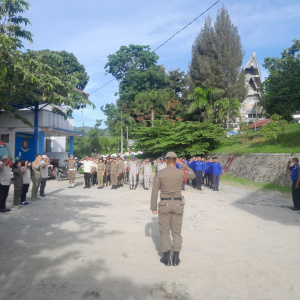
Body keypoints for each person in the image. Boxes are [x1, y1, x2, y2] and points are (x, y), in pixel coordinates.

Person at [151, 152, 195, 266]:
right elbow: (193, 175)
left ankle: (166, 259)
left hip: (164, 204)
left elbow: (155, 191)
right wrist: (183, 165)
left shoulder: (160, 173)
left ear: (166, 161)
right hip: (178, 204)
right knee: (176, 231)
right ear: (176, 161)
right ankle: (176, 258)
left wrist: (153, 207)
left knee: (164, 232)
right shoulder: (181, 172)